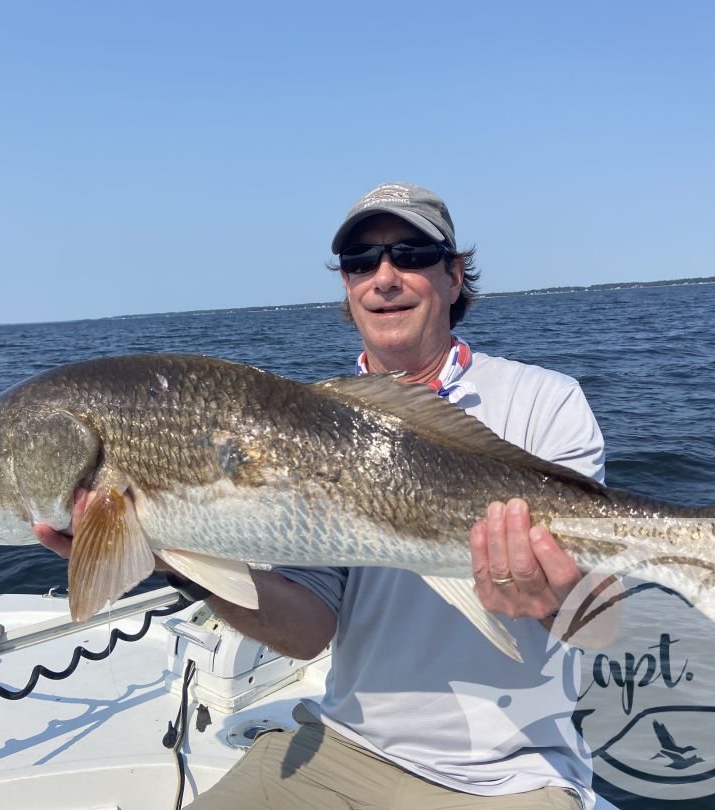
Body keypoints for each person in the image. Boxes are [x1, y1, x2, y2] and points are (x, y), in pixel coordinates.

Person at [37, 181, 606, 808]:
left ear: (454, 274)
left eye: (410, 254)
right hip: (344, 746)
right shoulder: (306, 429)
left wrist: (551, 600)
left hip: (511, 773)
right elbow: (307, 632)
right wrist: (161, 554)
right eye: (361, 261)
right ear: (347, 285)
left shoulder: (544, 401)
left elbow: (598, 620)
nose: (383, 277)